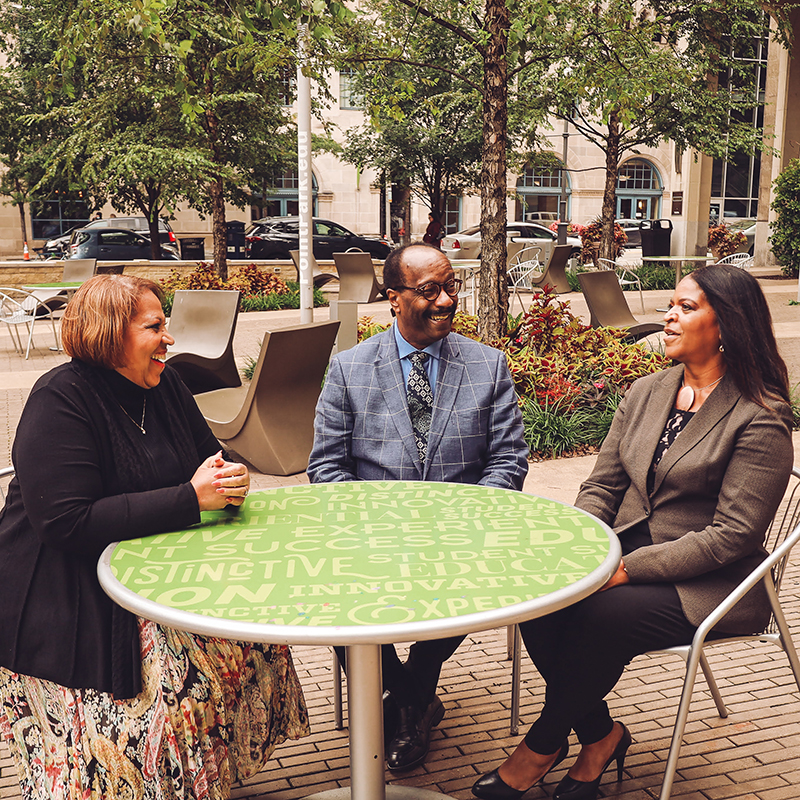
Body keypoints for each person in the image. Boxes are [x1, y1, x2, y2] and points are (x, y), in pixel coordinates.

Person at [472, 264, 794, 800]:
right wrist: (582, 549)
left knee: (598, 615)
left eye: (687, 307)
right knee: (541, 598)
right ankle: (601, 736)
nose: (669, 316)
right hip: (631, 548)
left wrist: (624, 571)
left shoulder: (759, 417)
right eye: (673, 303)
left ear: (727, 325)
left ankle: (543, 744)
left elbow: (731, 536)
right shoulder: (648, 390)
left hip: (714, 579)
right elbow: (603, 484)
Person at [0, 275, 309, 800]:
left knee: (255, 636)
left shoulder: (164, 385)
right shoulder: (60, 397)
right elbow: (65, 522)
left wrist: (230, 474)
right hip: (62, 591)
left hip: (151, 566)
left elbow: (208, 455)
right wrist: (191, 498)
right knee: (168, 687)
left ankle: (201, 782)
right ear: (109, 335)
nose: (169, 338)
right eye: (155, 327)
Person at [308, 242, 528, 771]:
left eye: (451, 286)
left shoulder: (487, 365)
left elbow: (508, 461)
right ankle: (410, 696)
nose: (447, 300)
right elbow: (326, 467)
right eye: (429, 290)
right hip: (371, 540)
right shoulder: (349, 369)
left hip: (461, 539)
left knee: (474, 584)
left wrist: (465, 520)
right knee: (334, 602)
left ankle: (413, 688)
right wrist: (371, 526)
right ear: (393, 299)